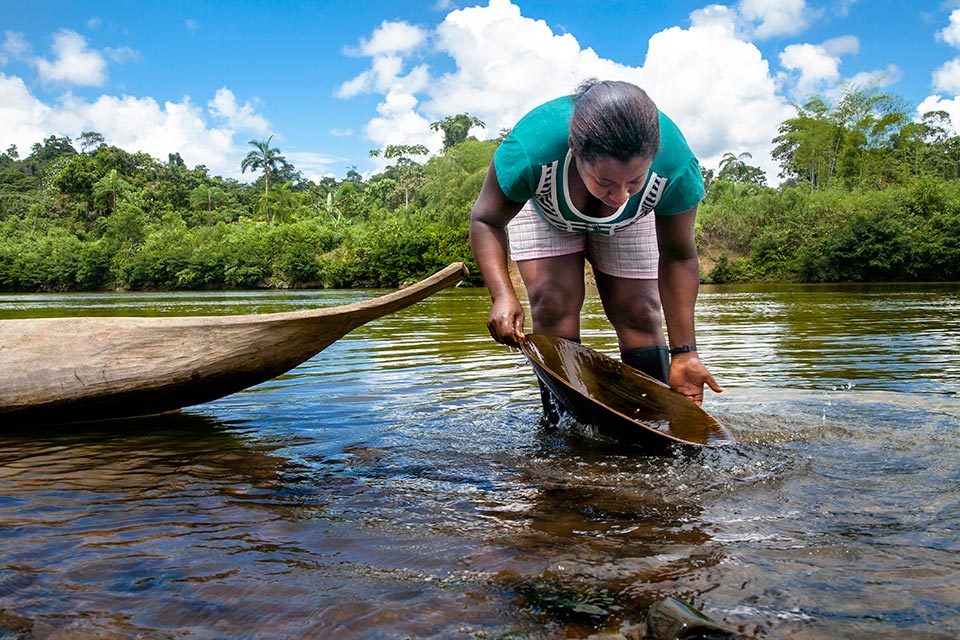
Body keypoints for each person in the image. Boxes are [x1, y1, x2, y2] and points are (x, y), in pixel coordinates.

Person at [469, 79, 721, 409]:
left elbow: (678, 254)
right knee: (552, 302)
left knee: (641, 311)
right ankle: (562, 425)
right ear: (575, 148)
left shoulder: (675, 166)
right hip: (548, 211)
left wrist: (686, 352)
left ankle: (654, 421)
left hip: (633, 221)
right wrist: (502, 295)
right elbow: (486, 220)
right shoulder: (532, 150)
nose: (619, 196)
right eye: (604, 182)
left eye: (634, 180)